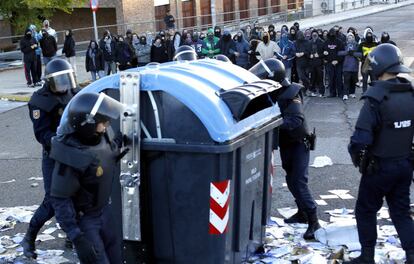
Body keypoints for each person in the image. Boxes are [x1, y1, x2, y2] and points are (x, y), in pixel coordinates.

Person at [347, 44, 414, 264]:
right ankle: (412, 255)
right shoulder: (411, 92)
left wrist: (360, 161)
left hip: (379, 167)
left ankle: (367, 257)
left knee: (365, 210)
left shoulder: (375, 97)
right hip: (404, 164)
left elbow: (360, 140)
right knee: (401, 212)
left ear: (378, 66)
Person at [249, 58, 321, 239]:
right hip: (287, 144)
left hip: (298, 144)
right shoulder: (277, 92)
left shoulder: (291, 93)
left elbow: (296, 120)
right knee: (291, 180)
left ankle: (314, 221)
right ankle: (302, 213)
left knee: (298, 182)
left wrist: (271, 124)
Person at [50, 92, 125, 264]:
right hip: (86, 220)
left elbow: (108, 152)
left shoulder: (100, 137)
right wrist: (77, 237)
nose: (107, 124)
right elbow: (60, 200)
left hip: (104, 211)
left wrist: (124, 140)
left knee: (117, 258)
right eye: (102, 121)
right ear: (87, 123)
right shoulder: (71, 155)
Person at [20, 58, 78, 259]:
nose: (64, 86)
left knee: (80, 194)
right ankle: (29, 237)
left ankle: (72, 235)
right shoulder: (39, 101)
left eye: (66, 80)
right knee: (53, 201)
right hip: (53, 155)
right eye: (59, 81)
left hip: (75, 151)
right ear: (49, 82)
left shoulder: (73, 92)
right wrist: (61, 139)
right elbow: (42, 135)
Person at [338, 33, 362, 100]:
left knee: (353, 81)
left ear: (353, 38)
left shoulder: (357, 45)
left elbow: (360, 54)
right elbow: (339, 53)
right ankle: (345, 94)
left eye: (351, 37)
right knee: (346, 81)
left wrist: (353, 53)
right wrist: (347, 52)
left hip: (354, 66)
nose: (350, 38)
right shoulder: (344, 44)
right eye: (348, 37)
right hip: (346, 66)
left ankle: (352, 93)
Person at [323, 28, 344, 98]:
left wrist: (337, 60)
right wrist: (325, 58)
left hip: (338, 63)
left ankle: (340, 93)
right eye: (331, 34)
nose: (332, 35)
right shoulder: (326, 42)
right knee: (331, 79)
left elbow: (342, 53)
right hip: (329, 63)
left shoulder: (339, 42)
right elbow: (323, 52)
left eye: (333, 34)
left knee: (339, 78)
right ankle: (332, 93)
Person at [308, 30, 325, 97]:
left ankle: (321, 92)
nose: (314, 35)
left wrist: (319, 55)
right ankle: (312, 91)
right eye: (313, 34)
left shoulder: (322, 42)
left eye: (315, 34)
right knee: (312, 78)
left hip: (319, 63)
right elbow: (307, 52)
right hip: (312, 63)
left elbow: (325, 52)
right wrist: (309, 55)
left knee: (320, 78)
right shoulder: (309, 42)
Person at [294, 31, 311, 95]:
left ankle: (305, 90)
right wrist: (295, 53)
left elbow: (309, 51)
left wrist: (303, 53)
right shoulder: (295, 43)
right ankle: (309, 85)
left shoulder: (307, 42)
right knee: (301, 77)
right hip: (299, 62)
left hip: (307, 62)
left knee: (306, 76)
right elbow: (293, 50)